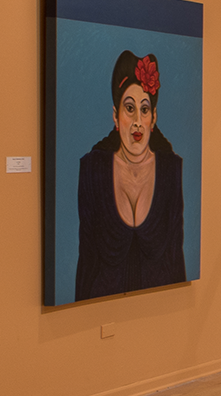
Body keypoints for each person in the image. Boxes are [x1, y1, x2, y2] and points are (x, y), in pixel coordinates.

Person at [75, 50, 186, 299]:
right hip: (98, 318)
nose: (137, 121)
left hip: (159, 317)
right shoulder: (93, 170)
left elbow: (176, 261)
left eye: (144, 110)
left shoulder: (171, 170)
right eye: (129, 108)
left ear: (153, 119)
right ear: (116, 116)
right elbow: (87, 263)